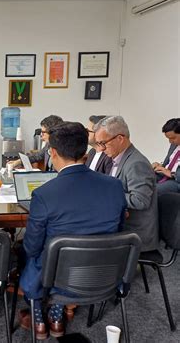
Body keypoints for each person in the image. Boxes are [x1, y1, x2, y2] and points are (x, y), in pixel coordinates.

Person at [18, 122, 127, 340]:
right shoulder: (114, 186)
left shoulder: (44, 194)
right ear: (85, 151)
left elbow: (32, 246)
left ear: (54, 152)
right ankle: (57, 318)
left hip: (56, 276)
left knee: (30, 255)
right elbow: (119, 232)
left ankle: (40, 321)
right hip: (102, 273)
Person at [95, 116, 159, 251]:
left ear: (120, 138)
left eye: (103, 143)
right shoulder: (118, 158)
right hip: (120, 222)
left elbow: (140, 200)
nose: (100, 149)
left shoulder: (136, 163)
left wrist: (108, 194)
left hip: (135, 232)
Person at [152, 118, 180, 195]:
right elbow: (171, 161)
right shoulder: (174, 145)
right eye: (168, 138)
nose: (170, 142)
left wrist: (172, 174)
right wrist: (159, 165)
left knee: (151, 191)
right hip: (163, 174)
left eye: (173, 138)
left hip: (176, 180)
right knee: (141, 179)